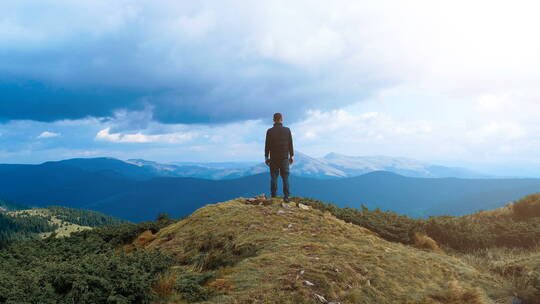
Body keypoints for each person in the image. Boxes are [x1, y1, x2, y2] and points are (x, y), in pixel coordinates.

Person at [265, 112, 294, 202]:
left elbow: (267, 145)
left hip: (273, 158)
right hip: (284, 158)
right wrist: (291, 156)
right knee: (285, 178)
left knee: (274, 177)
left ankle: (273, 196)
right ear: (282, 119)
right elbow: (290, 144)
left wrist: (266, 157)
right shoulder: (287, 130)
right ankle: (287, 197)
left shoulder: (269, 131)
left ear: (273, 120)